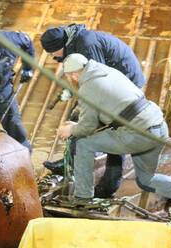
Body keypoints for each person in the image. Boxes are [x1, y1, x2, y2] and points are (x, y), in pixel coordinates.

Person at [57, 53, 171, 221]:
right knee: (146, 180)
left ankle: (82, 198)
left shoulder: (87, 88)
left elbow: (86, 128)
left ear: (73, 75)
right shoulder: (107, 71)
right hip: (157, 127)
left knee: (83, 144)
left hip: (137, 134)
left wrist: (71, 130)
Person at [40, 23, 145, 198]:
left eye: (53, 54)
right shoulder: (73, 41)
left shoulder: (87, 46)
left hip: (126, 85)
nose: (52, 57)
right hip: (114, 81)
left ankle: (109, 185)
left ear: (61, 47)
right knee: (80, 119)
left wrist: (85, 111)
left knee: (113, 130)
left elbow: (98, 81)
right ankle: (70, 163)